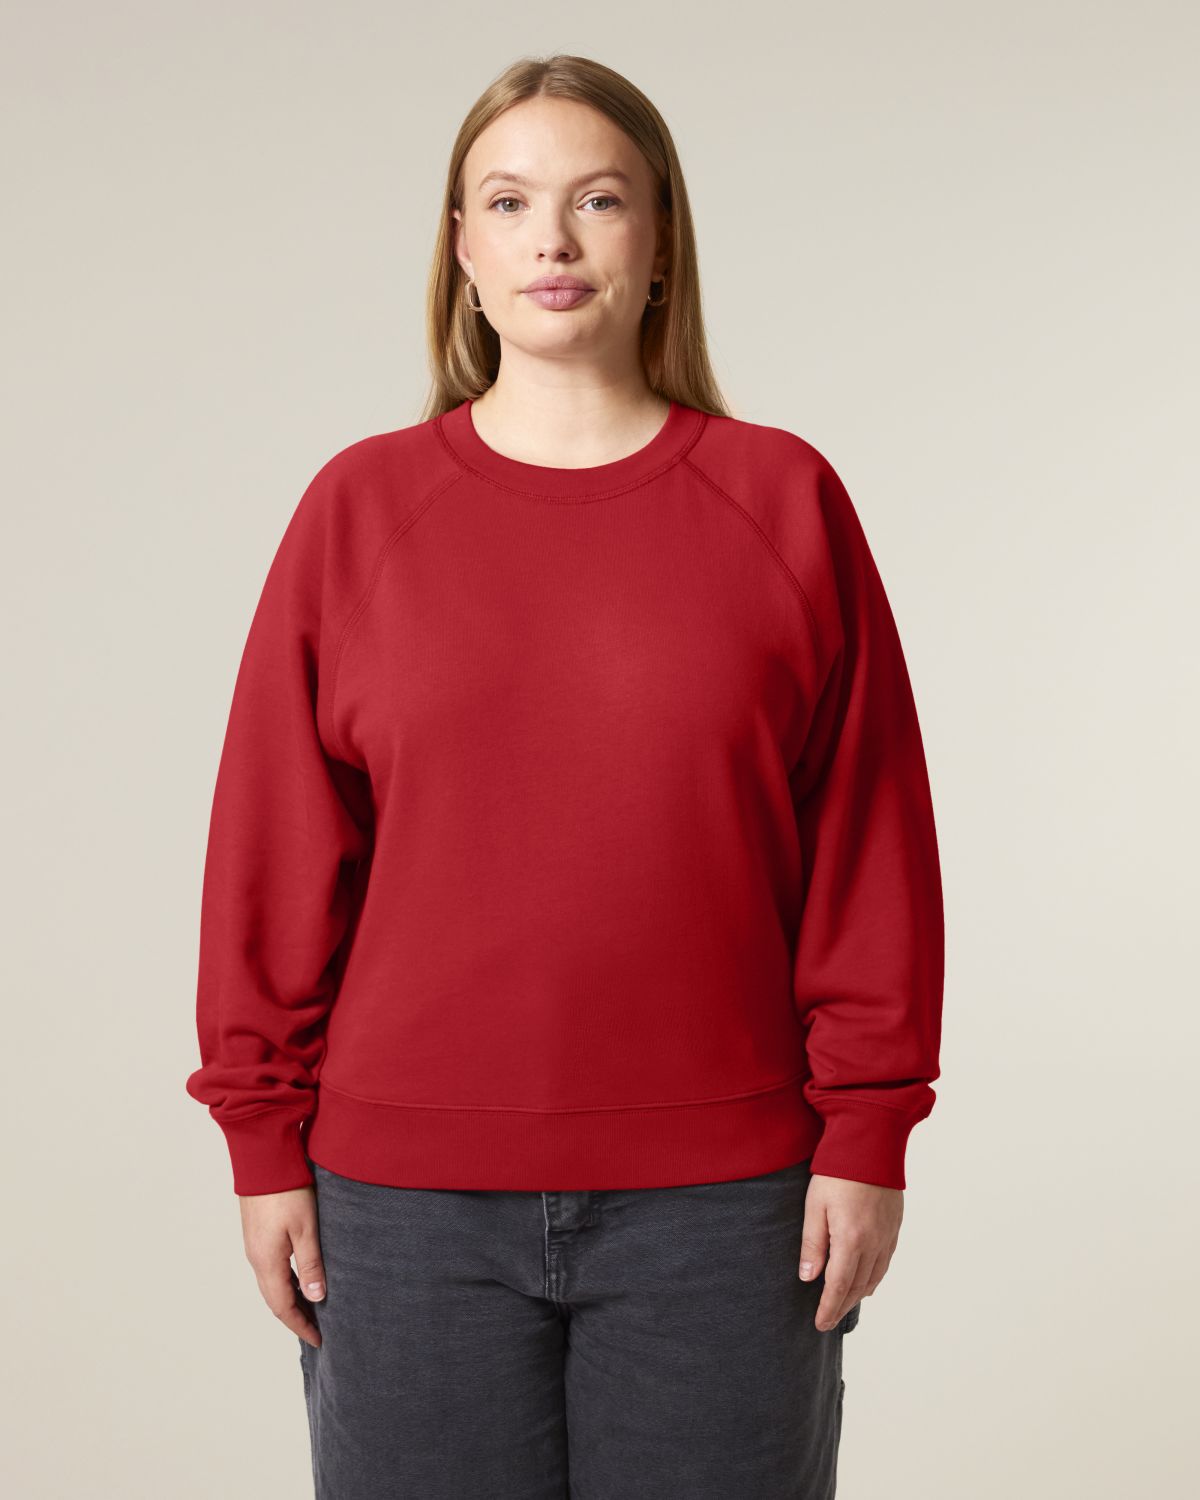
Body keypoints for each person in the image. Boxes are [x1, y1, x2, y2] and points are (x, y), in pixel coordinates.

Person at [185, 52, 944, 1500]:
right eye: (509, 202)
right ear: (462, 252)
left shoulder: (782, 500)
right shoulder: (360, 512)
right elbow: (275, 847)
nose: (552, 238)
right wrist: (262, 1139)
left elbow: (868, 841)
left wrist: (869, 1129)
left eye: (598, 199)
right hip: (402, 1212)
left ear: (659, 242)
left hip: (728, 1210)